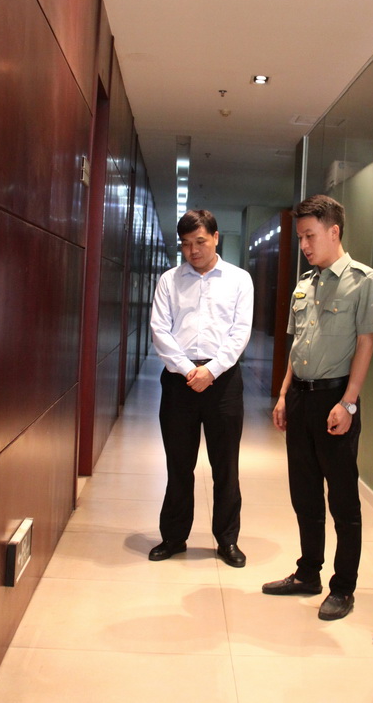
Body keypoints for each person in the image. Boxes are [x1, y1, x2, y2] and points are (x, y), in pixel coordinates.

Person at [262, 195, 373, 620]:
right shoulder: (304, 283)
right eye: (300, 238)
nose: (304, 246)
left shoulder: (364, 281)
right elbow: (297, 345)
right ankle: (307, 573)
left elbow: (366, 344)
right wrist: (283, 395)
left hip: (336, 400)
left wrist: (348, 403)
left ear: (334, 231)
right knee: (304, 493)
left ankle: (343, 587)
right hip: (300, 398)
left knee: (344, 501)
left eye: (310, 236)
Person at [149, 209, 253, 568]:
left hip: (223, 382)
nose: (192, 251)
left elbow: (240, 332)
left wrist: (211, 370)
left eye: (200, 242)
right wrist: (187, 369)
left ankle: (227, 540)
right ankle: (173, 537)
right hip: (179, 382)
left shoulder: (239, 280)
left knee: (226, 466)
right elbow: (159, 330)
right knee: (179, 464)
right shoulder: (169, 281)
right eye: (185, 244)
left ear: (215, 237)